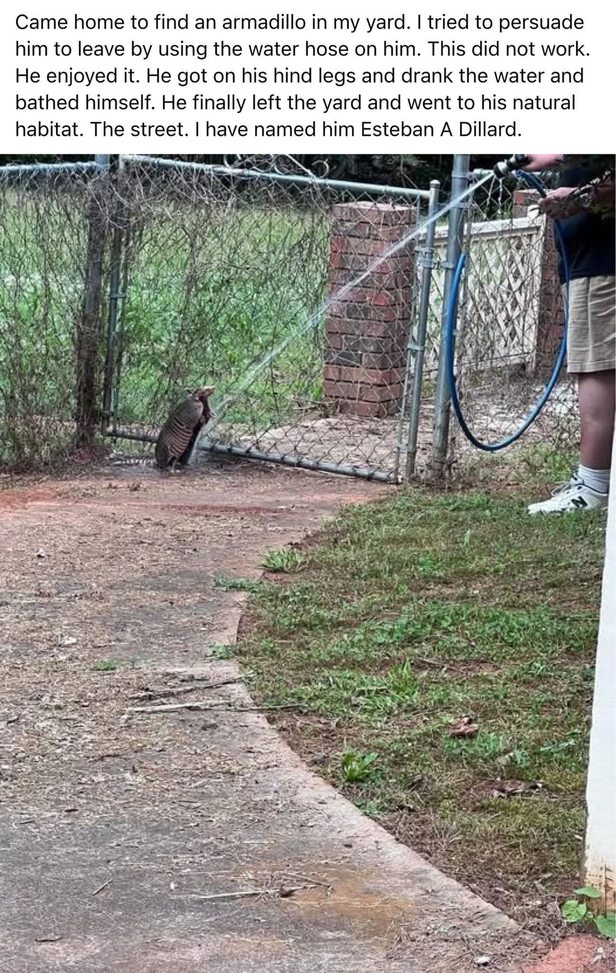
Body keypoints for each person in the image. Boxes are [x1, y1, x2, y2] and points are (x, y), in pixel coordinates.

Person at [521, 155, 615, 514]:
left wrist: (581, 196)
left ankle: (591, 488)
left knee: (595, 372)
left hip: (601, 263)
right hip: (590, 262)